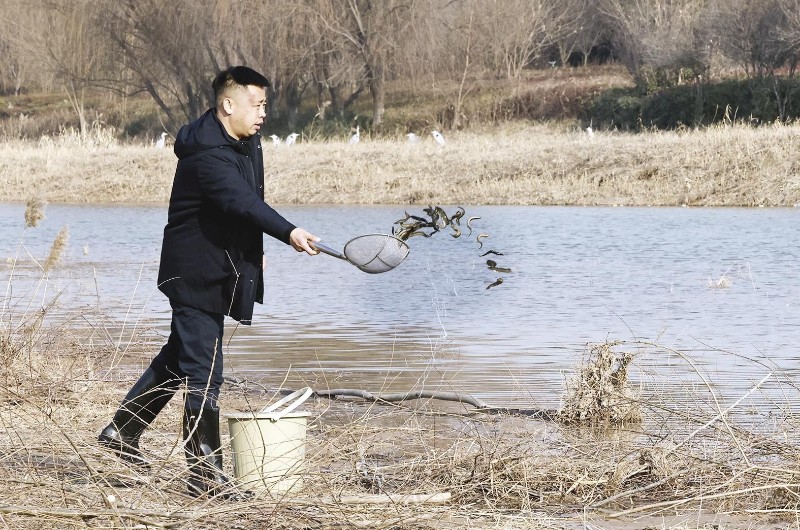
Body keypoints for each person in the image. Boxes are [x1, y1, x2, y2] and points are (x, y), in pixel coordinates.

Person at [98, 66, 319, 500]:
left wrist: (256, 255)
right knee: (205, 371)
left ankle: (122, 430)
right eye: (256, 106)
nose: (263, 115)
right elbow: (238, 201)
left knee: (181, 356)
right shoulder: (206, 154)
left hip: (220, 265)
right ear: (227, 105)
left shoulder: (245, 140)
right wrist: (289, 231)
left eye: (265, 106)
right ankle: (204, 474)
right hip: (194, 270)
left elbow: (249, 202)